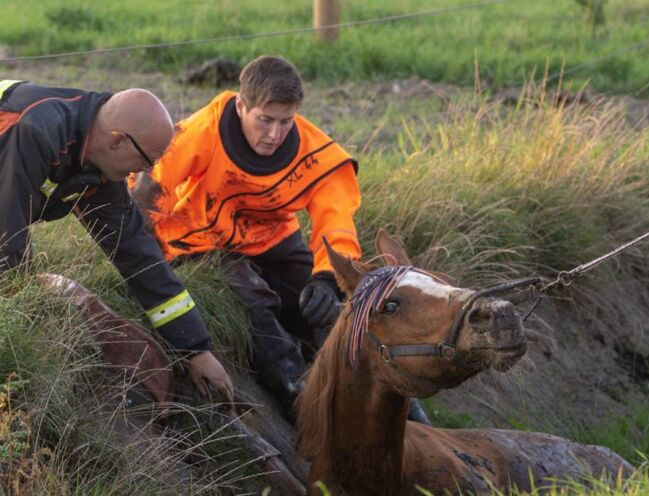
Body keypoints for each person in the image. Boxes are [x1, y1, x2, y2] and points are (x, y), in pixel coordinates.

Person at [129, 56, 430, 424]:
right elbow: (147, 190)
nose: (274, 134)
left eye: (285, 122)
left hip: (270, 237)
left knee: (325, 311)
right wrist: (151, 260)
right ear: (241, 106)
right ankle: (300, 401)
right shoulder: (202, 131)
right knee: (255, 304)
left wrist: (326, 279)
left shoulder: (315, 153)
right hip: (198, 240)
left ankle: (403, 408)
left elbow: (335, 221)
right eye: (265, 120)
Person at [0, 79, 234, 403]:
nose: (147, 171)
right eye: (147, 161)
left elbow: (135, 252)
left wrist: (195, 347)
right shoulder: (32, 130)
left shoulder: (96, 158)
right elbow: (6, 243)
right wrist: (20, 342)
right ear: (118, 141)